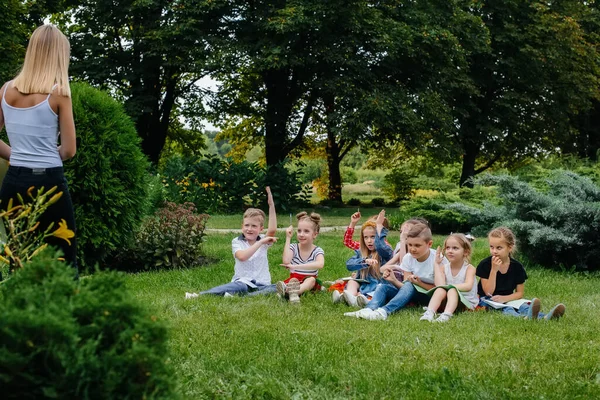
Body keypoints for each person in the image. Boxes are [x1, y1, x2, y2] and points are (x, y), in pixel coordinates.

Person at [0, 25, 78, 274]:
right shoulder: (59, 94)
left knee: (18, 256)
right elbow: (69, 150)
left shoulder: (5, 90)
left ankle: (18, 309)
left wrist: (17, 155)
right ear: (58, 55)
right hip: (49, 181)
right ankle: (65, 311)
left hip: (14, 182)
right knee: (64, 255)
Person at [185, 187, 278, 298]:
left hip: (262, 283)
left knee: (276, 287)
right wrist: (261, 242)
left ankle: (241, 297)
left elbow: (272, 230)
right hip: (243, 282)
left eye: (254, 226)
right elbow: (242, 257)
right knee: (240, 287)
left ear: (261, 229)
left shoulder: (263, 239)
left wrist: (271, 205)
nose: (250, 229)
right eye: (247, 225)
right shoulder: (237, 241)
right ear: (242, 226)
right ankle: (199, 295)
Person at [344, 223, 445, 320]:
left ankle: (384, 312)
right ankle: (368, 309)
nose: (413, 249)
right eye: (410, 245)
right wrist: (393, 280)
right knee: (383, 287)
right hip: (412, 294)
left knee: (410, 285)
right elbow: (405, 287)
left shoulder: (437, 259)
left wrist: (419, 283)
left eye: (417, 245)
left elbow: (441, 289)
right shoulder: (408, 258)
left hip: (432, 297)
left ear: (429, 244)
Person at [476, 226, 566, 320]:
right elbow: (488, 292)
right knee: (508, 309)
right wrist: (494, 270)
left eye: (499, 248)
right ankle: (524, 319)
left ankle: (545, 317)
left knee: (524, 306)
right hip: (487, 301)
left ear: (510, 247)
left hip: (507, 299)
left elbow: (519, 293)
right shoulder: (485, 264)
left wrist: (505, 298)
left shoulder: (517, 267)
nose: (494, 251)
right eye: (491, 247)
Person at [337, 209, 393, 307]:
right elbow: (349, 263)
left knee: (378, 289)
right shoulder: (363, 250)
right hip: (365, 283)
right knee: (352, 282)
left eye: (373, 237)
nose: (369, 241)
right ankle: (349, 296)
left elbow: (380, 246)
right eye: (366, 237)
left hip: (378, 285)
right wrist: (364, 261)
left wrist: (379, 229)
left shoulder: (385, 249)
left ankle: (364, 299)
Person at [420, 234, 478, 323]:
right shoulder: (444, 268)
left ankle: (446, 315)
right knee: (440, 290)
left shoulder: (469, 268)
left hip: (466, 302)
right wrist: (436, 264)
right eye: (448, 248)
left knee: (452, 290)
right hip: (449, 300)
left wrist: (451, 286)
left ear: (465, 252)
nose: (450, 251)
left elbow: (468, 286)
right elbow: (440, 285)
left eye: (455, 248)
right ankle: (429, 312)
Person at [276, 212, 325, 304]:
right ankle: (290, 292)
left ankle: (292, 292)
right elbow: (286, 261)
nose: (301, 234)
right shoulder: (294, 247)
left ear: (315, 234)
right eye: (299, 231)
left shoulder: (317, 250)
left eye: (306, 231)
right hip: (295, 279)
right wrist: (288, 238)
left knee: (311, 280)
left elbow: (320, 264)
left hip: (309, 282)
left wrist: (296, 267)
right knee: (292, 281)